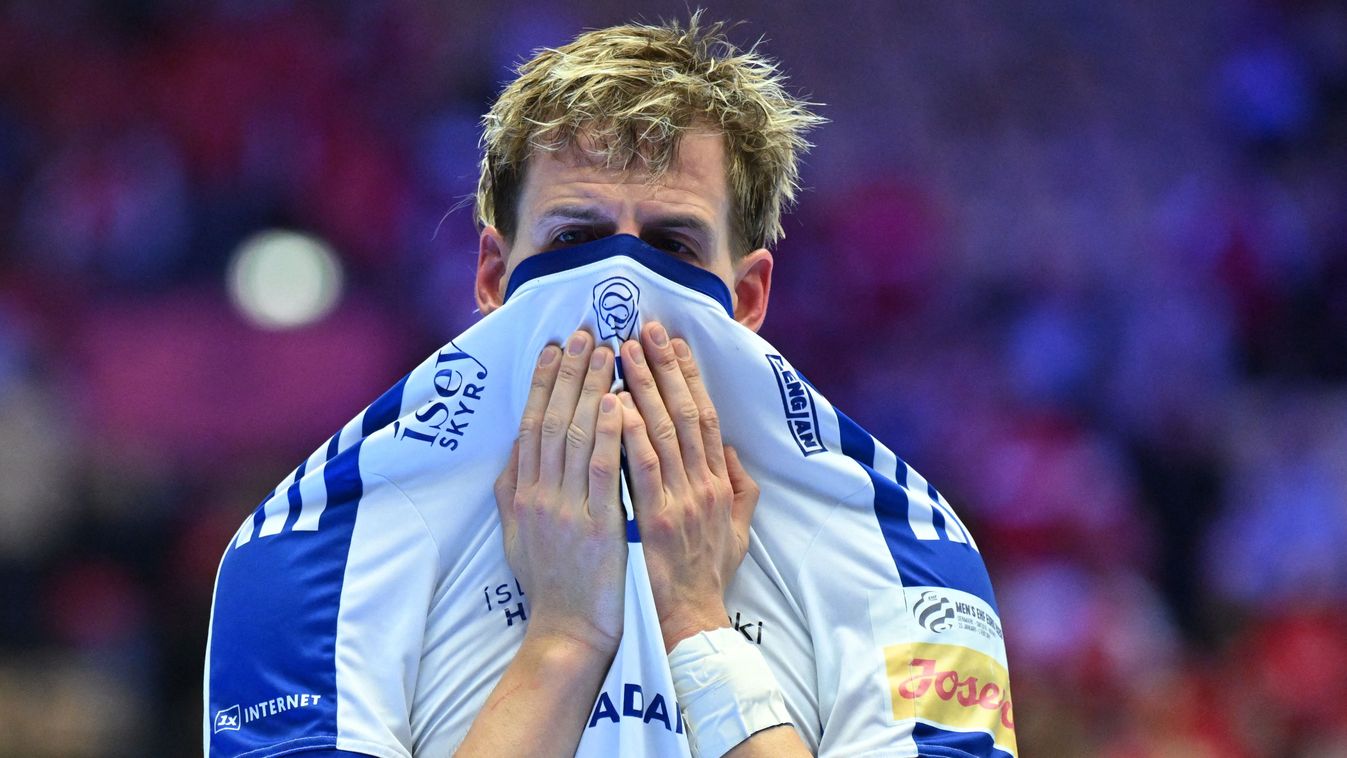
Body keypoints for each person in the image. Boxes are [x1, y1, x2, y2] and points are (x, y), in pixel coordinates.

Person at [205, 15, 1015, 758]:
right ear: (491, 276)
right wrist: (563, 640)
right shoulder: (311, 539)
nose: (616, 285)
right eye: (576, 239)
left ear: (747, 298)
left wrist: (697, 625)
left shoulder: (906, 544)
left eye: (672, 245)